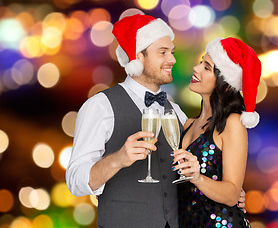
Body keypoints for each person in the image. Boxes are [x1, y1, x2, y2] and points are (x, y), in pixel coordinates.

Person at [66, 14, 246, 228]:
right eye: (163, 53)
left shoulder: (177, 113)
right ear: (137, 57)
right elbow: (75, 182)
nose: (172, 60)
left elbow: (206, 165)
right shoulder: (100, 107)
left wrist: (229, 191)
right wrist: (118, 159)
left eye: (172, 52)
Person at [172, 37, 261, 227]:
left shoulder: (233, 123)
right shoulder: (188, 124)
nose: (196, 69)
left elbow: (231, 195)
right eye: (200, 62)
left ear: (226, 83)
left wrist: (197, 178)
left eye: (206, 67)